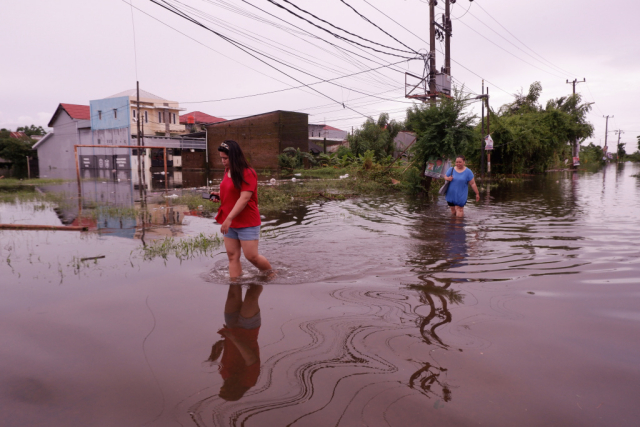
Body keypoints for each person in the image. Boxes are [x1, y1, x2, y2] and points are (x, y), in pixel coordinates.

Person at [211, 140, 272, 278]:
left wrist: (228, 219)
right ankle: (234, 285)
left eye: (225, 158)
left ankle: (271, 274)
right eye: (221, 158)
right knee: (232, 256)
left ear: (234, 156)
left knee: (251, 256)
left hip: (246, 220)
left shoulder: (248, 173)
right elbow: (232, 192)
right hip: (230, 220)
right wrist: (219, 195)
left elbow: (244, 198)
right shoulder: (227, 170)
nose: (223, 161)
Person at [205, 284, 263, 401]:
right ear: (234, 390)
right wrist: (233, 338)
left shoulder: (225, 375)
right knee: (251, 295)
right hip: (248, 330)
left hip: (231, 327)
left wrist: (219, 346)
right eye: (224, 388)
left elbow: (231, 352)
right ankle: (267, 272)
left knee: (233, 290)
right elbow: (250, 358)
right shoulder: (249, 380)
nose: (223, 385)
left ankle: (238, 267)